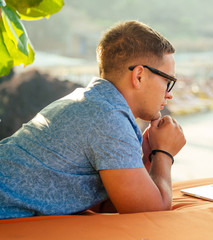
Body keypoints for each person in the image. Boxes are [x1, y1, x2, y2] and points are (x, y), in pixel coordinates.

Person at [0, 20, 186, 219]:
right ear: (139, 76)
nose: (169, 94)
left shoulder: (89, 102)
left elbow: (111, 203)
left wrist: (149, 158)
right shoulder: (109, 118)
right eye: (168, 81)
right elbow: (152, 214)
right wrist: (164, 152)